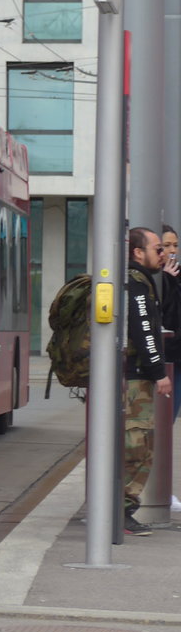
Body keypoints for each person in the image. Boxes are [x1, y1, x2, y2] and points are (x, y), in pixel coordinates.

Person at [123, 226, 174, 535]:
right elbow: (145, 332)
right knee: (137, 447)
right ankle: (121, 511)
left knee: (139, 445)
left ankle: (120, 509)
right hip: (136, 381)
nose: (164, 253)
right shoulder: (137, 285)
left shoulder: (140, 282)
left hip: (133, 378)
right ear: (138, 253)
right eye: (158, 248)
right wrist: (159, 374)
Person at [159, 224, 181, 511]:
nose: (172, 250)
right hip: (168, 362)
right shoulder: (155, 279)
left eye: (175, 244)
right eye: (167, 245)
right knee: (162, 425)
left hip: (177, 361)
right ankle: (157, 490)